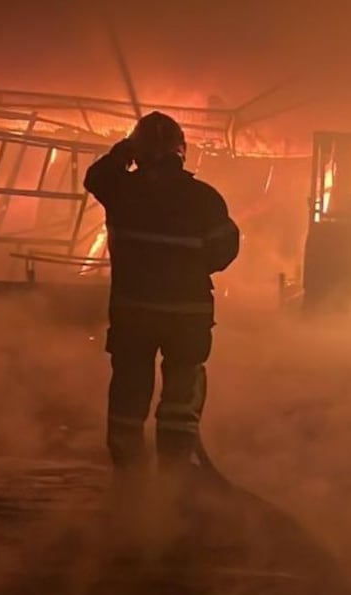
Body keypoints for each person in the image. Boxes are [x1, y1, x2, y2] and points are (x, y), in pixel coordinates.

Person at [84, 111, 239, 480]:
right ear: (180, 151)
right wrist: (189, 268)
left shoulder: (123, 191)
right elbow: (225, 250)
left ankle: (130, 476)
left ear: (136, 151)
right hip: (187, 315)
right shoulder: (204, 198)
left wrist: (124, 151)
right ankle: (174, 473)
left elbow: (96, 177)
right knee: (181, 395)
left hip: (134, 313)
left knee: (129, 390)